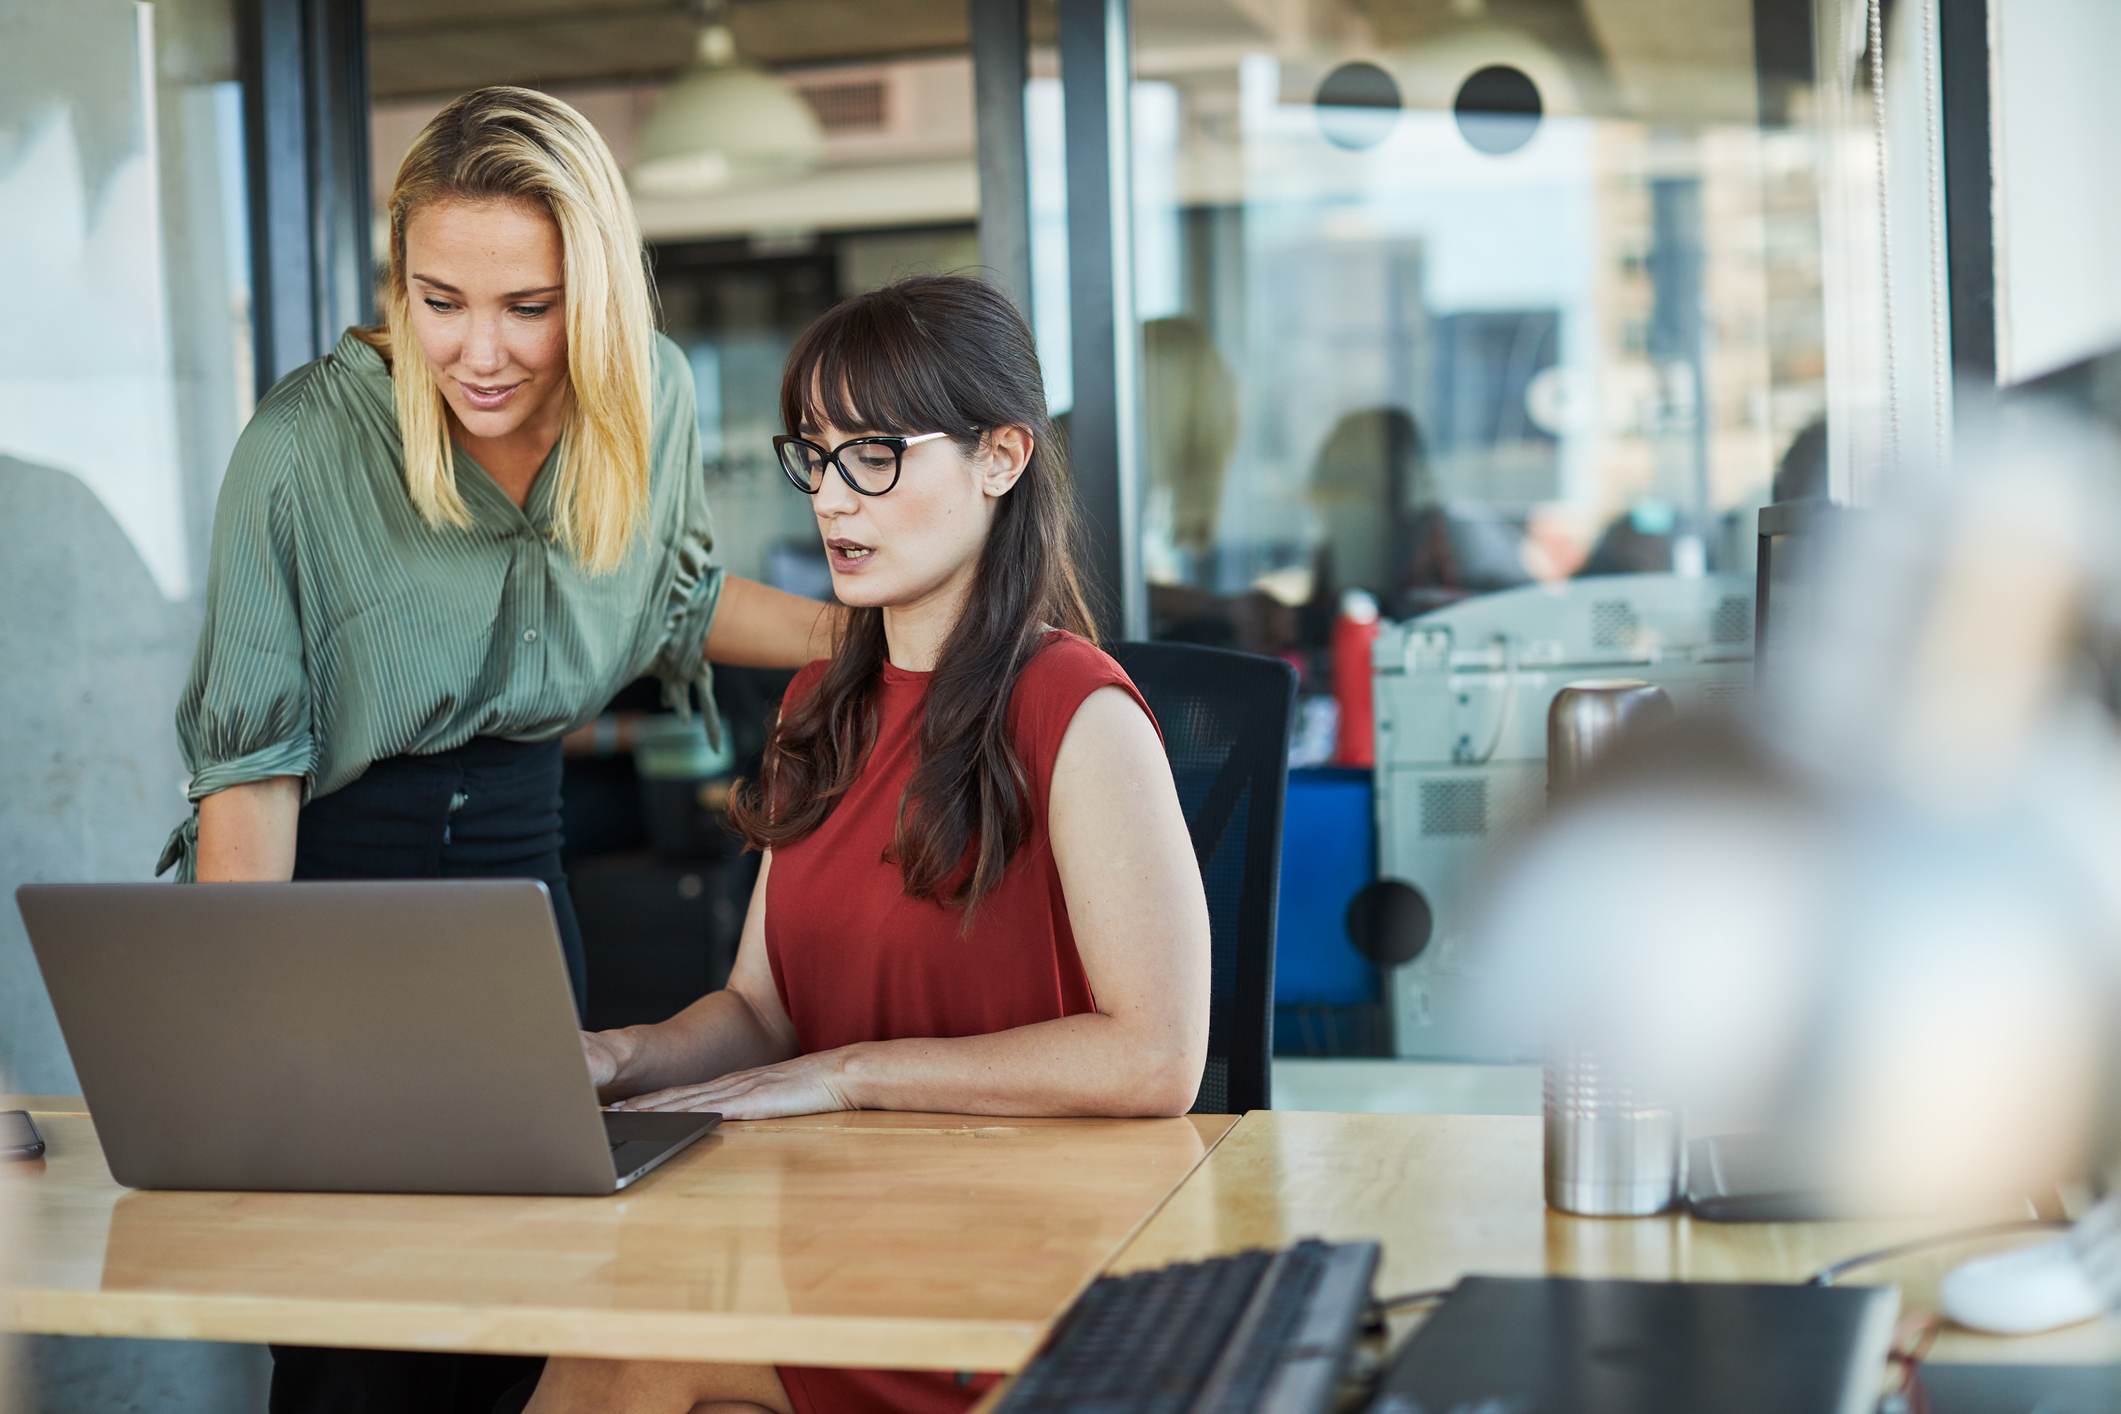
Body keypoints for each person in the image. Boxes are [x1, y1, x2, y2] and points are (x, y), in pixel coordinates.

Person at [160, 87, 833, 1413]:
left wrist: (884, 626)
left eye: (527, 304)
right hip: (332, 904)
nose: (480, 349)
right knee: (358, 1342)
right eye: (440, 298)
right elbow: (252, 775)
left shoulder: (649, 397)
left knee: (538, 1309)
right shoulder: (302, 449)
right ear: (396, 279)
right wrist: (244, 1055)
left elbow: (671, 598)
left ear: (590, 286)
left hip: (524, 902)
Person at [516, 276, 1212, 1414]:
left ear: (1000, 458)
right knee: (606, 1309)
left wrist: (848, 1079)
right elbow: (761, 1009)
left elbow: (1155, 1058)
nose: (833, 502)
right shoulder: (816, 706)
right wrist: (621, 1058)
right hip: (836, 1231)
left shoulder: (1077, 711)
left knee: (626, 1349)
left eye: (876, 457)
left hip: (1008, 1267)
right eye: (818, 457)